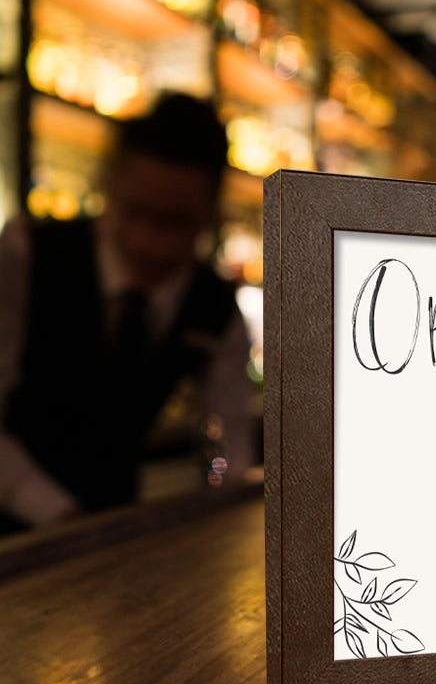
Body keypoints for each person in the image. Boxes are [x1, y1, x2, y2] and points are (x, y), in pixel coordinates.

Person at [0, 93, 256, 533]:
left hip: (114, 527)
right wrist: (56, 513)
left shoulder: (216, 307)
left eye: (175, 222)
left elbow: (231, 442)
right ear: (109, 185)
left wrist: (223, 514)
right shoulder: (28, 253)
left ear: (211, 214)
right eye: (134, 212)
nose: (146, 242)